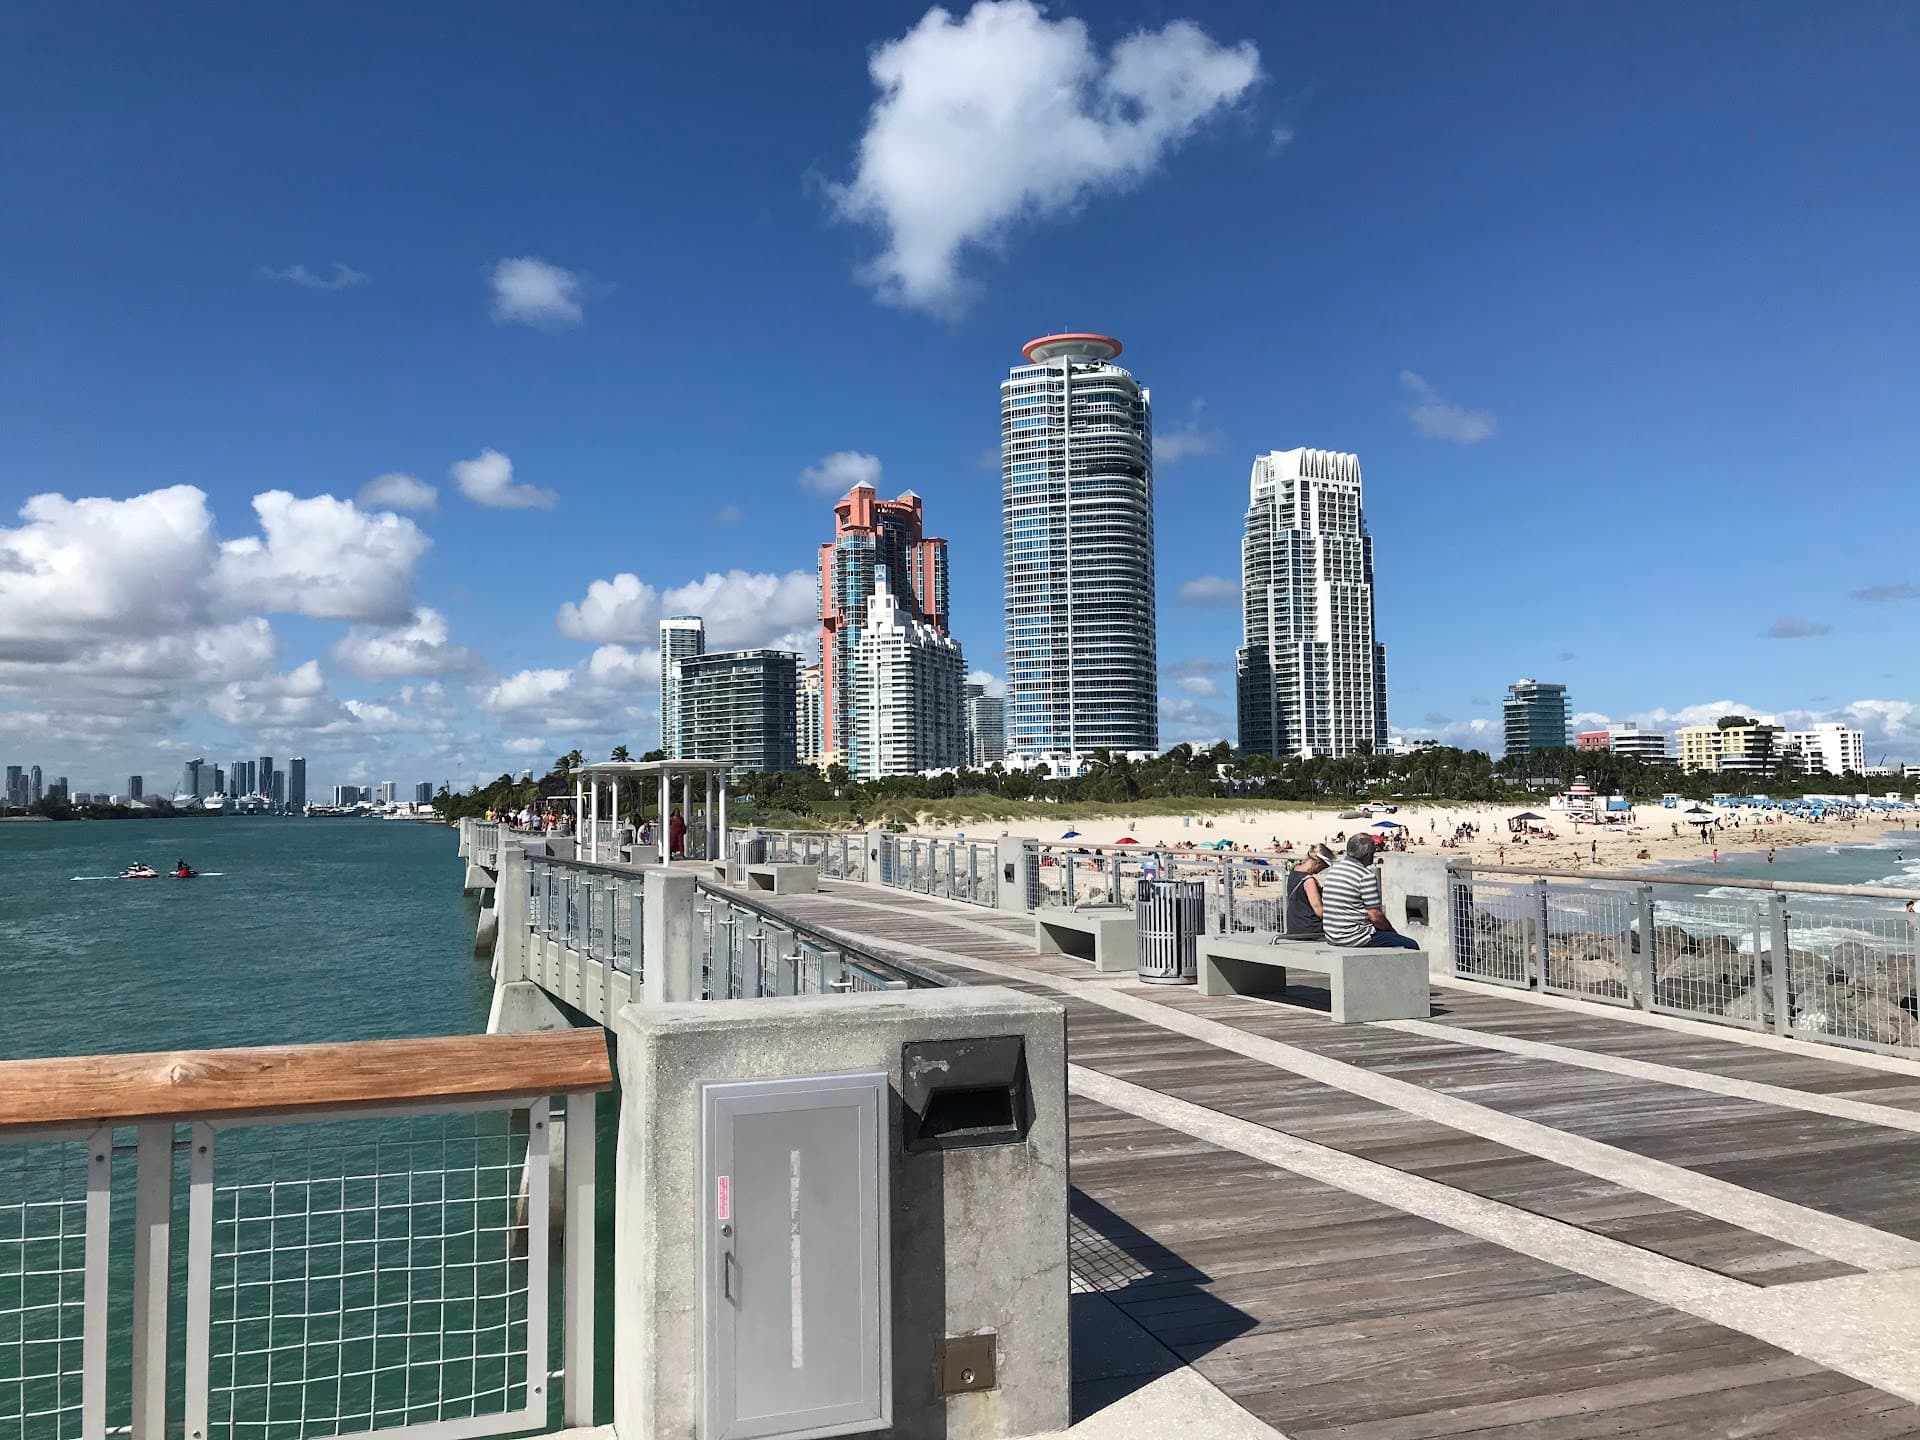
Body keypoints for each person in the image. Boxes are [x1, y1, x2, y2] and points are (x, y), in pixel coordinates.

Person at [1321, 834, 1419, 949]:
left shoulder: (1334, 871)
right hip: (1353, 936)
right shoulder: (1365, 876)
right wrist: (1392, 932)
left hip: (1332, 935)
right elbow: (1375, 916)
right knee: (1411, 944)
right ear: (1368, 854)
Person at [1285, 845, 1334, 939]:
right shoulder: (1309, 881)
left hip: (1293, 927)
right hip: (1310, 928)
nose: (1322, 870)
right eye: (1324, 866)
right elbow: (1319, 911)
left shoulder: (1294, 871)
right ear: (1318, 862)